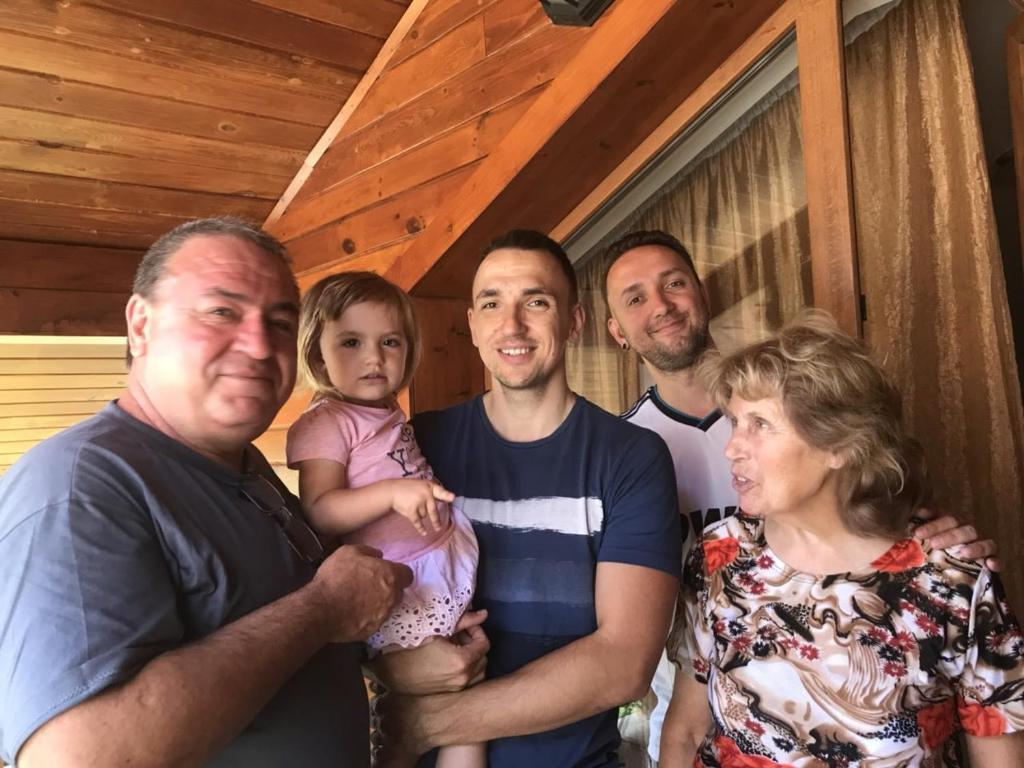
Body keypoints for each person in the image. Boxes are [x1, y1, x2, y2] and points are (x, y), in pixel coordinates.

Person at [0, 218, 412, 767]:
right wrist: (323, 608)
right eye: (221, 312)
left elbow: (298, 639)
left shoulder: (244, 465)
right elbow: (78, 758)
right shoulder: (78, 486)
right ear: (141, 326)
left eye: (280, 322)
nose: (260, 345)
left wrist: (399, 668)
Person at [600, 229, 1000, 766]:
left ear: (701, 293)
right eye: (635, 297)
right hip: (699, 687)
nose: (661, 305)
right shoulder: (621, 454)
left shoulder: (798, 400)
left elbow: (876, 511)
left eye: (673, 283)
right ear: (616, 332)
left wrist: (939, 553)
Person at [373, 229, 682, 767]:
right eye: (492, 303)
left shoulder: (631, 457)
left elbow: (624, 662)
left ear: (574, 321)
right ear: (473, 325)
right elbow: (360, 605)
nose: (511, 325)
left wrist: (429, 722)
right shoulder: (417, 446)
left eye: (536, 302)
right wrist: (390, 669)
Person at [663, 312, 1024, 766]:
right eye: (735, 421)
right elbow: (687, 730)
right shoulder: (720, 557)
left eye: (760, 424)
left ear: (839, 444)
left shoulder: (953, 583)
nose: (732, 447)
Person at [286, 272, 483, 768]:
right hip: (400, 579)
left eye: (389, 342)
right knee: (414, 713)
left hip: (437, 561)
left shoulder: (384, 407)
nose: (374, 358)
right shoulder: (326, 421)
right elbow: (320, 510)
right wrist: (392, 494)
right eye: (351, 342)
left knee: (466, 703)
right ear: (318, 357)